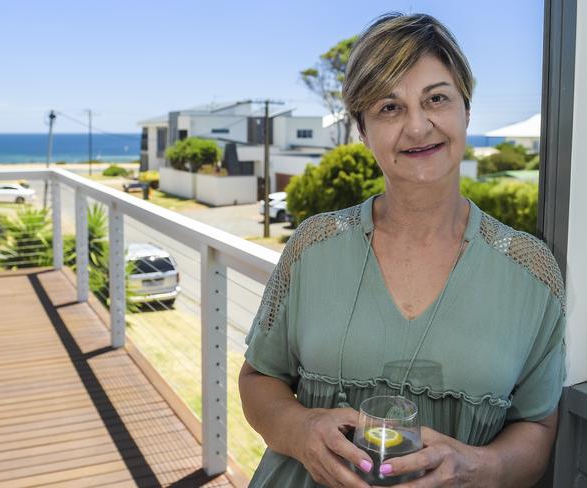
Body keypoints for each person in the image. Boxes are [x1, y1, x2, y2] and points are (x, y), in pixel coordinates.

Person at [239, 12, 566, 488]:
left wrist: (475, 468)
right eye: (389, 108)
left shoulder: (531, 273)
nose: (417, 127)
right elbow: (257, 380)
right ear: (363, 130)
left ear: (466, 111)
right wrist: (301, 429)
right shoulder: (312, 248)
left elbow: (537, 427)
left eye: (436, 98)